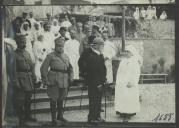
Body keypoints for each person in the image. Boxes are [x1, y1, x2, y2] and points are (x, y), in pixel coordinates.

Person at [41, 37, 74, 126]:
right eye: (58, 46)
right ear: (55, 46)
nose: (60, 48)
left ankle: (60, 116)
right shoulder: (50, 56)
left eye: (62, 46)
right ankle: (53, 118)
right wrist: (45, 80)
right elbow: (43, 68)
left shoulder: (66, 56)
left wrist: (71, 77)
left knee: (61, 99)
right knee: (53, 99)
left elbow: (70, 68)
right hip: (54, 81)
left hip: (64, 81)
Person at [78, 37, 106, 124]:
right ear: (96, 46)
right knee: (93, 101)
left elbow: (102, 69)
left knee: (98, 101)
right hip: (94, 83)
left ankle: (97, 116)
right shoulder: (92, 57)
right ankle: (92, 118)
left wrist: (103, 80)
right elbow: (93, 73)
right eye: (101, 45)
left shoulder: (100, 55)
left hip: (100, 82)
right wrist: (98, 84)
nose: (103, 46)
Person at [13, 34, 37, 125]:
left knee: (28, 99)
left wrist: (34, 76)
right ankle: (21, 119)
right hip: (20, 78)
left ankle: (28, 116)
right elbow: (13, 69)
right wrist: (16, 81)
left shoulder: (27, 53)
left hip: (29, 78)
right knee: (20, 100)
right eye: (22, 42)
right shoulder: (14, 54)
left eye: (24, 42)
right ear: (18, 43)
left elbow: (31, 65)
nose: (24, 43)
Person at [115, 45, 142, 122]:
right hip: (122, 83)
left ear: (132, 53)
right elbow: (119, 72)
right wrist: (119, 82)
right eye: (126, 51)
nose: (126, 53)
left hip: (130, 83)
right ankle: (122, 112)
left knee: (129, 97)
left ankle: (129, 114)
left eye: (128, 51)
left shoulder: (135, 62)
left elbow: (136, 73)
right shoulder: (123, 61)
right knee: (123, 97)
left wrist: (133, 82)